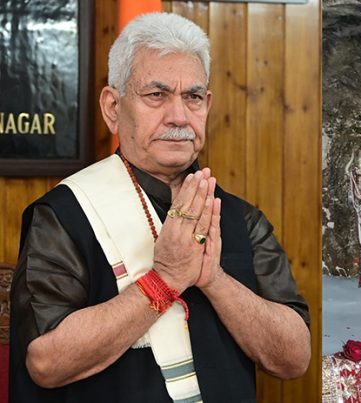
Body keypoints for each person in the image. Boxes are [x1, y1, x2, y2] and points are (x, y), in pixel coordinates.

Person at [10, 12, 310, 403]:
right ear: (113, 107)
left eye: (193, 97)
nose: (179, 116)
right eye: (157, 95)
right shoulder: (64, 215)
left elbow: (294, 358)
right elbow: (47, 363)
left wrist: (214, 280)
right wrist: (164, 280)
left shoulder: (240, 219)